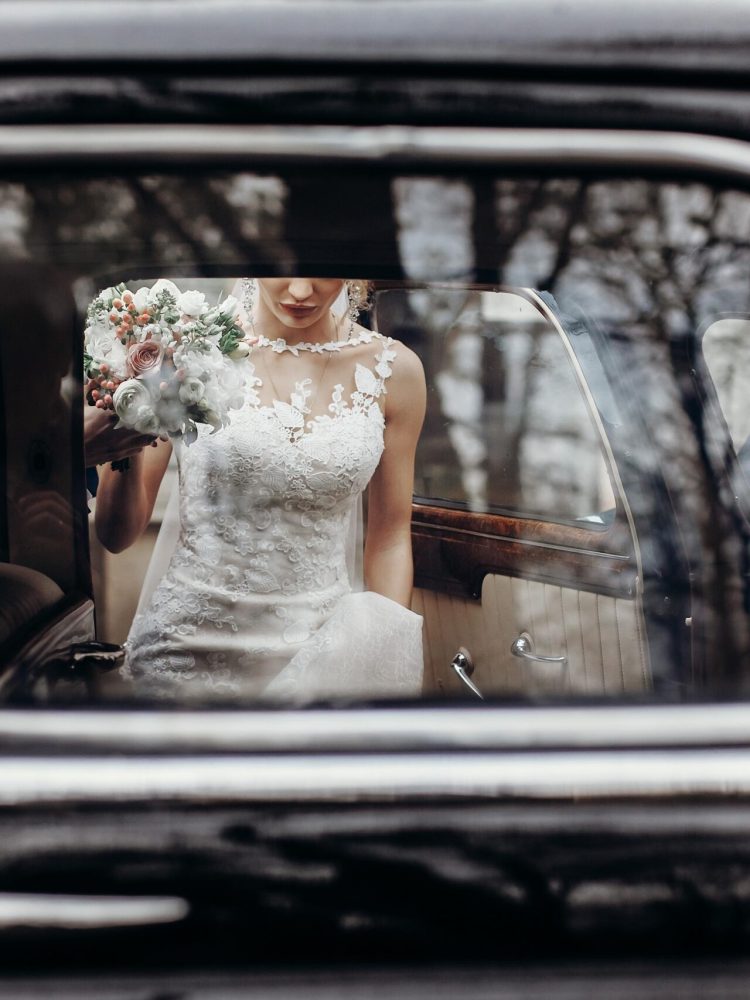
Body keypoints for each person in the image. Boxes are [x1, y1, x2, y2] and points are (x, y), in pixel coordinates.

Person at [94, 277, 427, 702]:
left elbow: (391, 537)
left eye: (321, 271)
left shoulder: (395, 370)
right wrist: (131, 418)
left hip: (321, 660)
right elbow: (115, 535)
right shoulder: (186, 350)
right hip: (183, 658)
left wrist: (380, 658)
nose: (301, 291)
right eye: (283, 267)